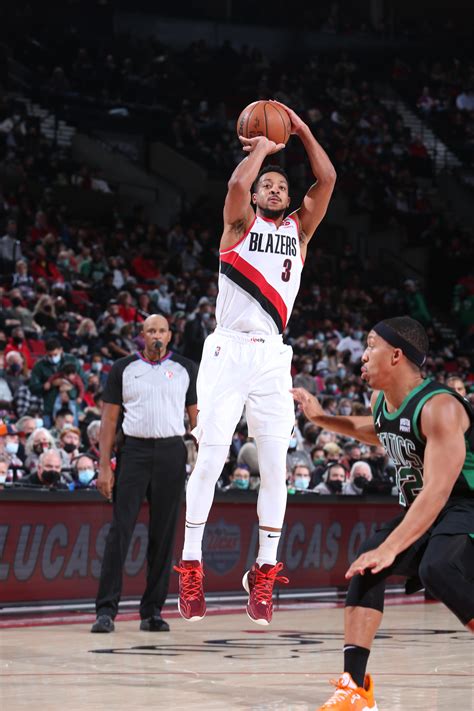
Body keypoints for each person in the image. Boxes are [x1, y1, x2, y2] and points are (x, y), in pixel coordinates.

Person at [176, 100, 336, 626]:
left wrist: (302, 131)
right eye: (268, 183)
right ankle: (192, 564)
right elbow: (235, 189)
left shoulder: (299, 232)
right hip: (226, 350)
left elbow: (327, 177)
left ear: (289, 198)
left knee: (276, 469)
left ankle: (263, 575)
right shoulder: (238, 224)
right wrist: (263, 150)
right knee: (211, 458)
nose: (274, 188)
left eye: (281, 186)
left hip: (272, 356)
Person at [292, 315, 474, 710]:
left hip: (463, 504)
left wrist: (392, 548)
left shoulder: (440, 407)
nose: (362, 355)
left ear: (396, 355)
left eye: (370, 345)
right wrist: (322, 418)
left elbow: (439, 491)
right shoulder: (382, 402)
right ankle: (354, 689)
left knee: (437, 568)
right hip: (426, 508)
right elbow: (376, 429)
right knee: (366, 566)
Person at [91, 314, 197, 634]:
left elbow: (197, 420)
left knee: (163, 536)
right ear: (142, 335)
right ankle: (106, 611)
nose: (156, 335)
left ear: (169, 335)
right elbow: (109, 421)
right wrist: (103, 466)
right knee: (119, 531)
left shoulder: (186, 369)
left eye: (161, 330)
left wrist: (204, 462)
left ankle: (152, 611)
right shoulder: (124, 368)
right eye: (150, 330)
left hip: (171, 452)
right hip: (133, 452)